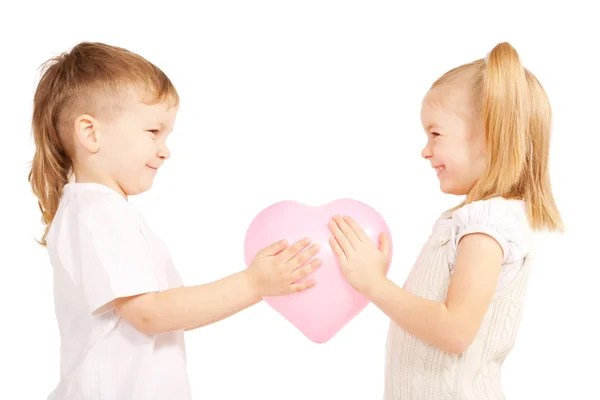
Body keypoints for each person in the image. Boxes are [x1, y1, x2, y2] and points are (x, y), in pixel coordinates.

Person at [28, 41, 322, 400]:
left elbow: (159, 313)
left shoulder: (90, 210)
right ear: (91, 133)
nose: (165, 150)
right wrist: (253, 284)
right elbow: (148, 313)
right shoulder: (100, 212)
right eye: (153, 131)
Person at [327, 42, 563, 399]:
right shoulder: (472, 220)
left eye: (435, 134)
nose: (425, 150)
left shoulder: (486, 226)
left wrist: (374, 284)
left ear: (490, 134)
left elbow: (454, 331)